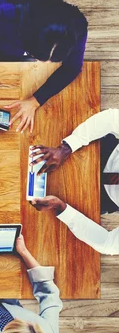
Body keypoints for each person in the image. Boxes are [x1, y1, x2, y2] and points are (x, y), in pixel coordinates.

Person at [0, 0, 88, 133]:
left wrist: (36, 100)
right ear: (28, 39)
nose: (43, 64)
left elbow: (72, 68)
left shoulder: (77, 27)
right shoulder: (7, 14)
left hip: (11, 41)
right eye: (39, 57)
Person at [30, 108, 119, 255]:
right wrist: (67, 147)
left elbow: (108, 245)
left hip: (96, 199)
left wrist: (62, 209)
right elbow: (113, 118)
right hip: (97, 150)